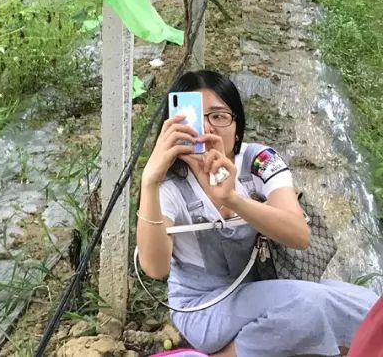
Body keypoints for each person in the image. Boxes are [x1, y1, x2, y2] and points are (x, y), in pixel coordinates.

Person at [136, 70, 379, 357]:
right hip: (202, 307)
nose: (207, 127)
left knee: (370, 308)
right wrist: (149, 181)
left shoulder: (258, 161)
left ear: (236, 126)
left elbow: (299, 235)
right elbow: (155, 268)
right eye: (193, 116)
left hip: (262, 287)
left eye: (219, 116)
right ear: (173, 125)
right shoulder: (171, 184)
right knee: (304, 305)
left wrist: (233, 199)